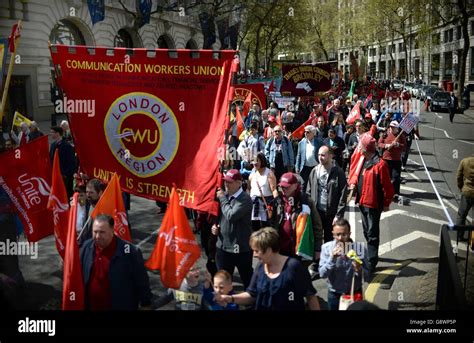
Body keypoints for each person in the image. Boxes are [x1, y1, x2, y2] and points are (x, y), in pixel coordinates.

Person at [214, 227, 320, 310]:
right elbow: (252, 295)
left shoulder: (293, 267)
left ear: (269, 250)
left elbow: (310, 296)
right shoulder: (260, 267)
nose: (254, 255)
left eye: (257, 251)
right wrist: (230, 299)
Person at [80, 214, 152, 310]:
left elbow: (141, 281)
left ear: (112, 230)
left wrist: (145, 303)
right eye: (95, 232)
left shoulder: (130, 252)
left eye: (102, 232)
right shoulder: (86, 247)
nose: (97, 236)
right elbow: (79, 275)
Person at [354, 134, 394, 273]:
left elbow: (387, 187)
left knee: (372, 233)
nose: (358, 147)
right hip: (362, 202)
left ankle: (371, 262)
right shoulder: (363, 159)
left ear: (366, 148)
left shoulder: (381, 165)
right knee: (366, 231)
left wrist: (387, 203)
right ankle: (372, 253)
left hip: (373, 205)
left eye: (361, 145)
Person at [213, 169, 254, 288]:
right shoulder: (225, 196)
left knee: (247, 278)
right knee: (223, 280)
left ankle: (252, 303)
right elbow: (220, 216)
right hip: (223, 247)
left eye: (230, 182)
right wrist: (215, 226)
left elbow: (231, 215)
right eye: (225, 181)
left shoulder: (245, 199)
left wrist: (222, 198)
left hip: (241, 249)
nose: (226, 184)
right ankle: (224, 303)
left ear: (239, 183)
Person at [319, 218, 369, 311]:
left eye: (344, 234)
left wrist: (359, 270)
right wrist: (332, 259)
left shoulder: (359, 249)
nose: (341, 238)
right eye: (337, 234)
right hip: (335, 295)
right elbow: (322, 274)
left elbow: (368, 276)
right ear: (333, 234)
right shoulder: (326, 248)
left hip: (354, 293)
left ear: (349, 234)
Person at [306, 146, 348, 243]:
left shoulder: (338, 172)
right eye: (319, 155)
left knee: (330, 240)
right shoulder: (315, 171)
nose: (320, 157)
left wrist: (338, 215)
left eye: (323, 155)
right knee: (316, 239)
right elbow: (308, 191)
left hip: (331, 214)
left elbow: (343, 195)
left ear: (330, 156)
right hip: (317, 212)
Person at [247, 153, 279, 231]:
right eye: (253, 161)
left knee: (265, 228)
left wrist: (278, 203)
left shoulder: (269, 173)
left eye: (257, 161)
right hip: (254, 204)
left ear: (262, 161)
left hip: (266, 204)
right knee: (254, 227)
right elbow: (248, 188)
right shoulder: (252, 174)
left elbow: (274, 190)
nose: (255, 163)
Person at [378, 121, 406, 201]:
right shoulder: (384, 134)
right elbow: (379, 143)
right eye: (391, 127)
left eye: (394, 127)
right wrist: (385, 145)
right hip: (386, 159)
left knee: (396, 177)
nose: (393, 128)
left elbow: (405, 147)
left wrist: (398, 145)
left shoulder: (401, 136)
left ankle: (395, 194)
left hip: (396, 160)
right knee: (385, 177)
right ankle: (384, 192)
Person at [49, 126, 77, 198]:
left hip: (65, 176)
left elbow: (72, 161)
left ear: (58, 133)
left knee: (66, 194)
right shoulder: (53, 145)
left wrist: (65, 174)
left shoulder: (67, 145)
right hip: (56, 175)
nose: (50, 134)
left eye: (52, 132)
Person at [77, 178, 106, 246]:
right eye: (87, 192)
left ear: (100, 193)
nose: (88, 195)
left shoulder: (104, 210)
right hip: (84, 244)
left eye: (91, 192)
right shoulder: (87, 203)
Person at [295, 125, 323, 191]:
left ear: (313, 133)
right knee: (303, 186)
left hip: (315, 168)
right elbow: (298, 155)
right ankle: (303, 200)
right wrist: (297, 167)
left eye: (308, 132)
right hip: (305, 168)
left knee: (314, 185)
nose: (305, 133)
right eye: (305, 132)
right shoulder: (301, 143)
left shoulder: (319, 142)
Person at [456, 156, 474, 241]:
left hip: (467, 192)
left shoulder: (465, 161)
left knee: (461, 215)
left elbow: (459, 177)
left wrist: (461, 187)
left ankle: (459, 236)